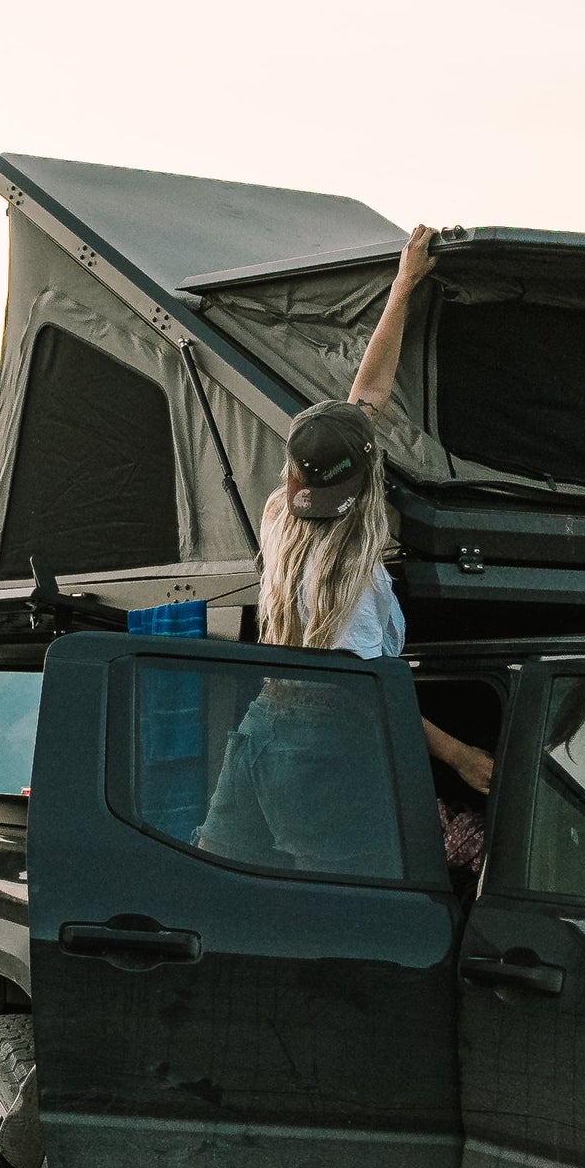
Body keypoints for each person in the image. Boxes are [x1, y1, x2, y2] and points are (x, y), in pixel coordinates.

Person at [198, 227, 495, 874]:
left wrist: (403, 283)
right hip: (323, 748)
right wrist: (460, 756)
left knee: (216, 878)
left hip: (261, 729)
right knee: (359, 894)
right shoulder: (349, 585)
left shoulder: (282, 507)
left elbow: (369, 396)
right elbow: (364, 689)